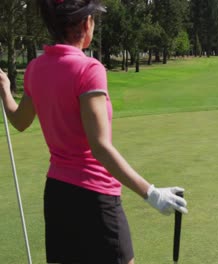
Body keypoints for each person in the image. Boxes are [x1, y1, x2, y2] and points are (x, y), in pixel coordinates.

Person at [0, 0, 188, 263]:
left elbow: (19, 121)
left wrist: (5, 89)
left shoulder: (34, 69)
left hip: (57, 196)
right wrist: (152, 193)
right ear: (85, 23)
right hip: (95, 198)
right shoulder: (89, 69)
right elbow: (100, 146)